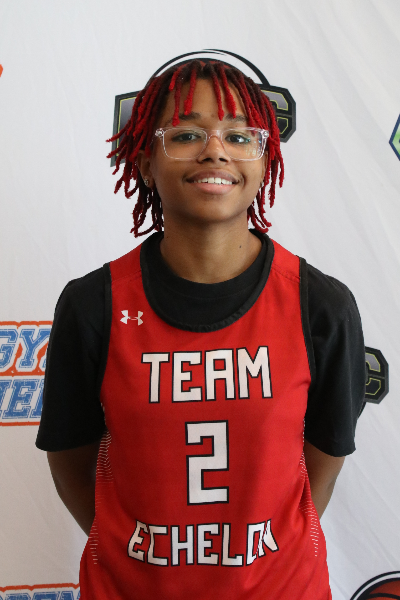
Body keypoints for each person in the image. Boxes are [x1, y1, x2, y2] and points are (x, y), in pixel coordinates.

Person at [36, 58, 366, 600]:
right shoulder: (93, 304)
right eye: (187, 134)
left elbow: (321, 467)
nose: (216, 150)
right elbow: (72, 462)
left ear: (264, 160)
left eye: (239, 136)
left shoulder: (321, 306)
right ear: (145, 162)